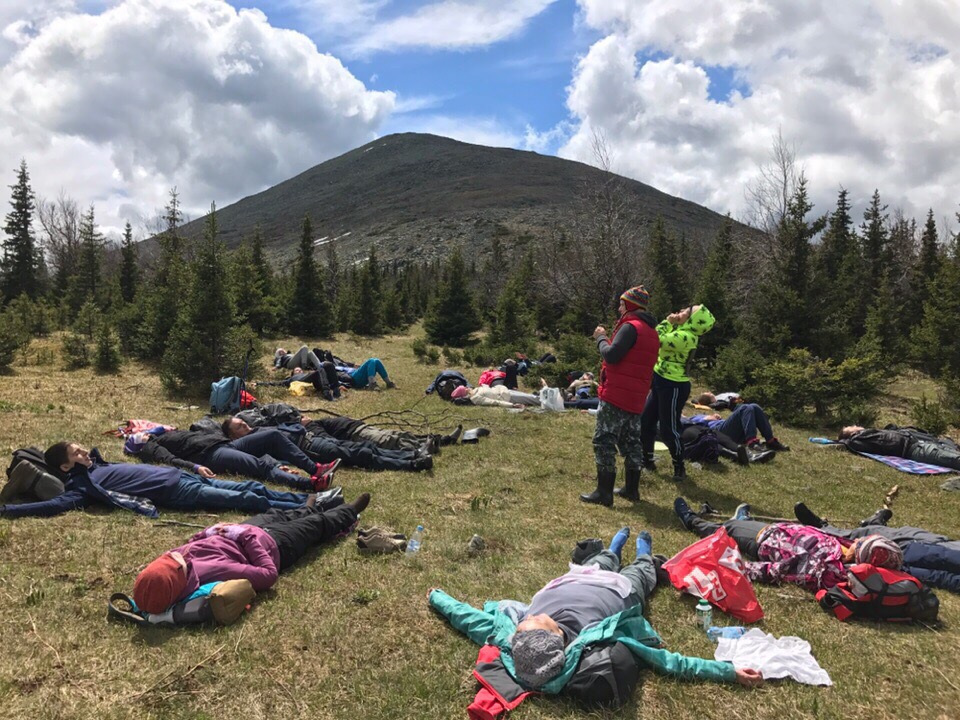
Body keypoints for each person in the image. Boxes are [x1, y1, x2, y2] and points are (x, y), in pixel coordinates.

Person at [428, 527, 762, 706]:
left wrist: (436, 597)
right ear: (557, 637)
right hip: (620, 592)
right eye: (538, 620)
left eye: (526, 622)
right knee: (641, 573)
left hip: (578, 577)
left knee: (600, 560)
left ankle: (613, 549)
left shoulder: (514, 638)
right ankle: (644, 553)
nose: (532, 615)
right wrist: (728, 672)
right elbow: (667, 661)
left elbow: (469, 619)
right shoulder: (596, 639)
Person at [133, 492, 370, 614]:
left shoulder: (175, 561)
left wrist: (209, 532)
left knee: (277, 514)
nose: (177, 554)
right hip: (274, 545)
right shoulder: (213, 570)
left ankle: (306, 509)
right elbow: (268, 575)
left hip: (242, 532)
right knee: (317, 525)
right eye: (175, 560)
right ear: (179, 577)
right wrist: (244, 537)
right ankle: (348, 511)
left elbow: (193, 542)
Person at [0, 443, 338, 519]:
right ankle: (309, 505)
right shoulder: (81, 487)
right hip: (176, 491)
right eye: (76, 453)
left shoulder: (95, 467)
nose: (84, 452)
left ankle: (307, 500)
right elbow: (55, 505)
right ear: (64, 466)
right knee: (248, 500)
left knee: (251, 487)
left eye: (80, 448)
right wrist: (8, 511)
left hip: (182, 476)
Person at [673, 498, 891, 592]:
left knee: (726, 529)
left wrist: (742, 568)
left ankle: (692, 521)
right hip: (775, 531)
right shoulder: (844, 549)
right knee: (739, 525)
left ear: (860, 554)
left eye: (862, 542)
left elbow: (779, 571)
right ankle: (743, 520)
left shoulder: (821, 566)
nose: (858, 539)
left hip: (763, 540)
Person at [583, 286, 660, 505]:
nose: (619, 308)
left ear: (629, 305)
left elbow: (612, 355)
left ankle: (604, 492)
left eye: (621, 304)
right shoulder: (652, 332)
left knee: (604, 440)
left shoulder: (630, 327)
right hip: (636, 397)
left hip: (617, 394)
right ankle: (631, 490)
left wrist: (601, 338)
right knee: (632, 442)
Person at [793, 502, 960, 592]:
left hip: (902, 558)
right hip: (915, 549)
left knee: (933, 568)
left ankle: (824, 529)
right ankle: (832, 529)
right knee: (931, 553)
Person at [132, 426, 338, 492]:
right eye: (142, 435)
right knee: (260, 466)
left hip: (226, 444)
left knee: (273, 435)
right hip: (212, 455)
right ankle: (309, 484)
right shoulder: (152, 447)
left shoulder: (163, 434)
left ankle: (315, 468)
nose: (146, 433)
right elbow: (170, 460)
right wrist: (195, 467)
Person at [640, 304, 715, 482]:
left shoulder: (686, 336)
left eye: (685, 312)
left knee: (669, 428)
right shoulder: (682, 332)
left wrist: (667, 321)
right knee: (646, 421)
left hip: (673, 385)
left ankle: (679, 466)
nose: (680, 312)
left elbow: (655, 339)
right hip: (661, 380)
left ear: (692, 320)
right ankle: (647, 460)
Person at [222, 416, 434, 473]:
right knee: (359, 455)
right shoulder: (245, 445)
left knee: (363, 448)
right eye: (240, 426)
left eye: (243, 422)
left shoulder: (257, 430)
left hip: (312, 437)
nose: (245, 425)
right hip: (309, 448)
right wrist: (281, 467)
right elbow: (263, 460)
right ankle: (411, 464)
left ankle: (413, 454)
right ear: (233, 436)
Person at [837, 424, 960, 470]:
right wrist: (844, 440)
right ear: (851, 434)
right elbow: (849, 443)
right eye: (851, 427)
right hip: (915, 450)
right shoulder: (857, 439)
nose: (855, 425)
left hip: (919, 443)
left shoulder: (868, 434)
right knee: (955, 459)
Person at [687, 404, 789, 451]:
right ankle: (752, 442)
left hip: (730, 430)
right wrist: (706, 418)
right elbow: (693, 427)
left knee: (755, 407)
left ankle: (771, 441)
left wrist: (714, 416)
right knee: (745, 408)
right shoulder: (691, 419)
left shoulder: (700, 415)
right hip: (718, 432)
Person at [450, 384, 539, 408]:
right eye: (465, 389)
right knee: (534, 399)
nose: (467, 387)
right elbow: (494, 402)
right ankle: (547, 401)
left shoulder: (476, 389)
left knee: (530, 396)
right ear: (464, 393)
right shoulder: (475, 398)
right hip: (507, 397)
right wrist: (512, 405)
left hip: (506, 391)